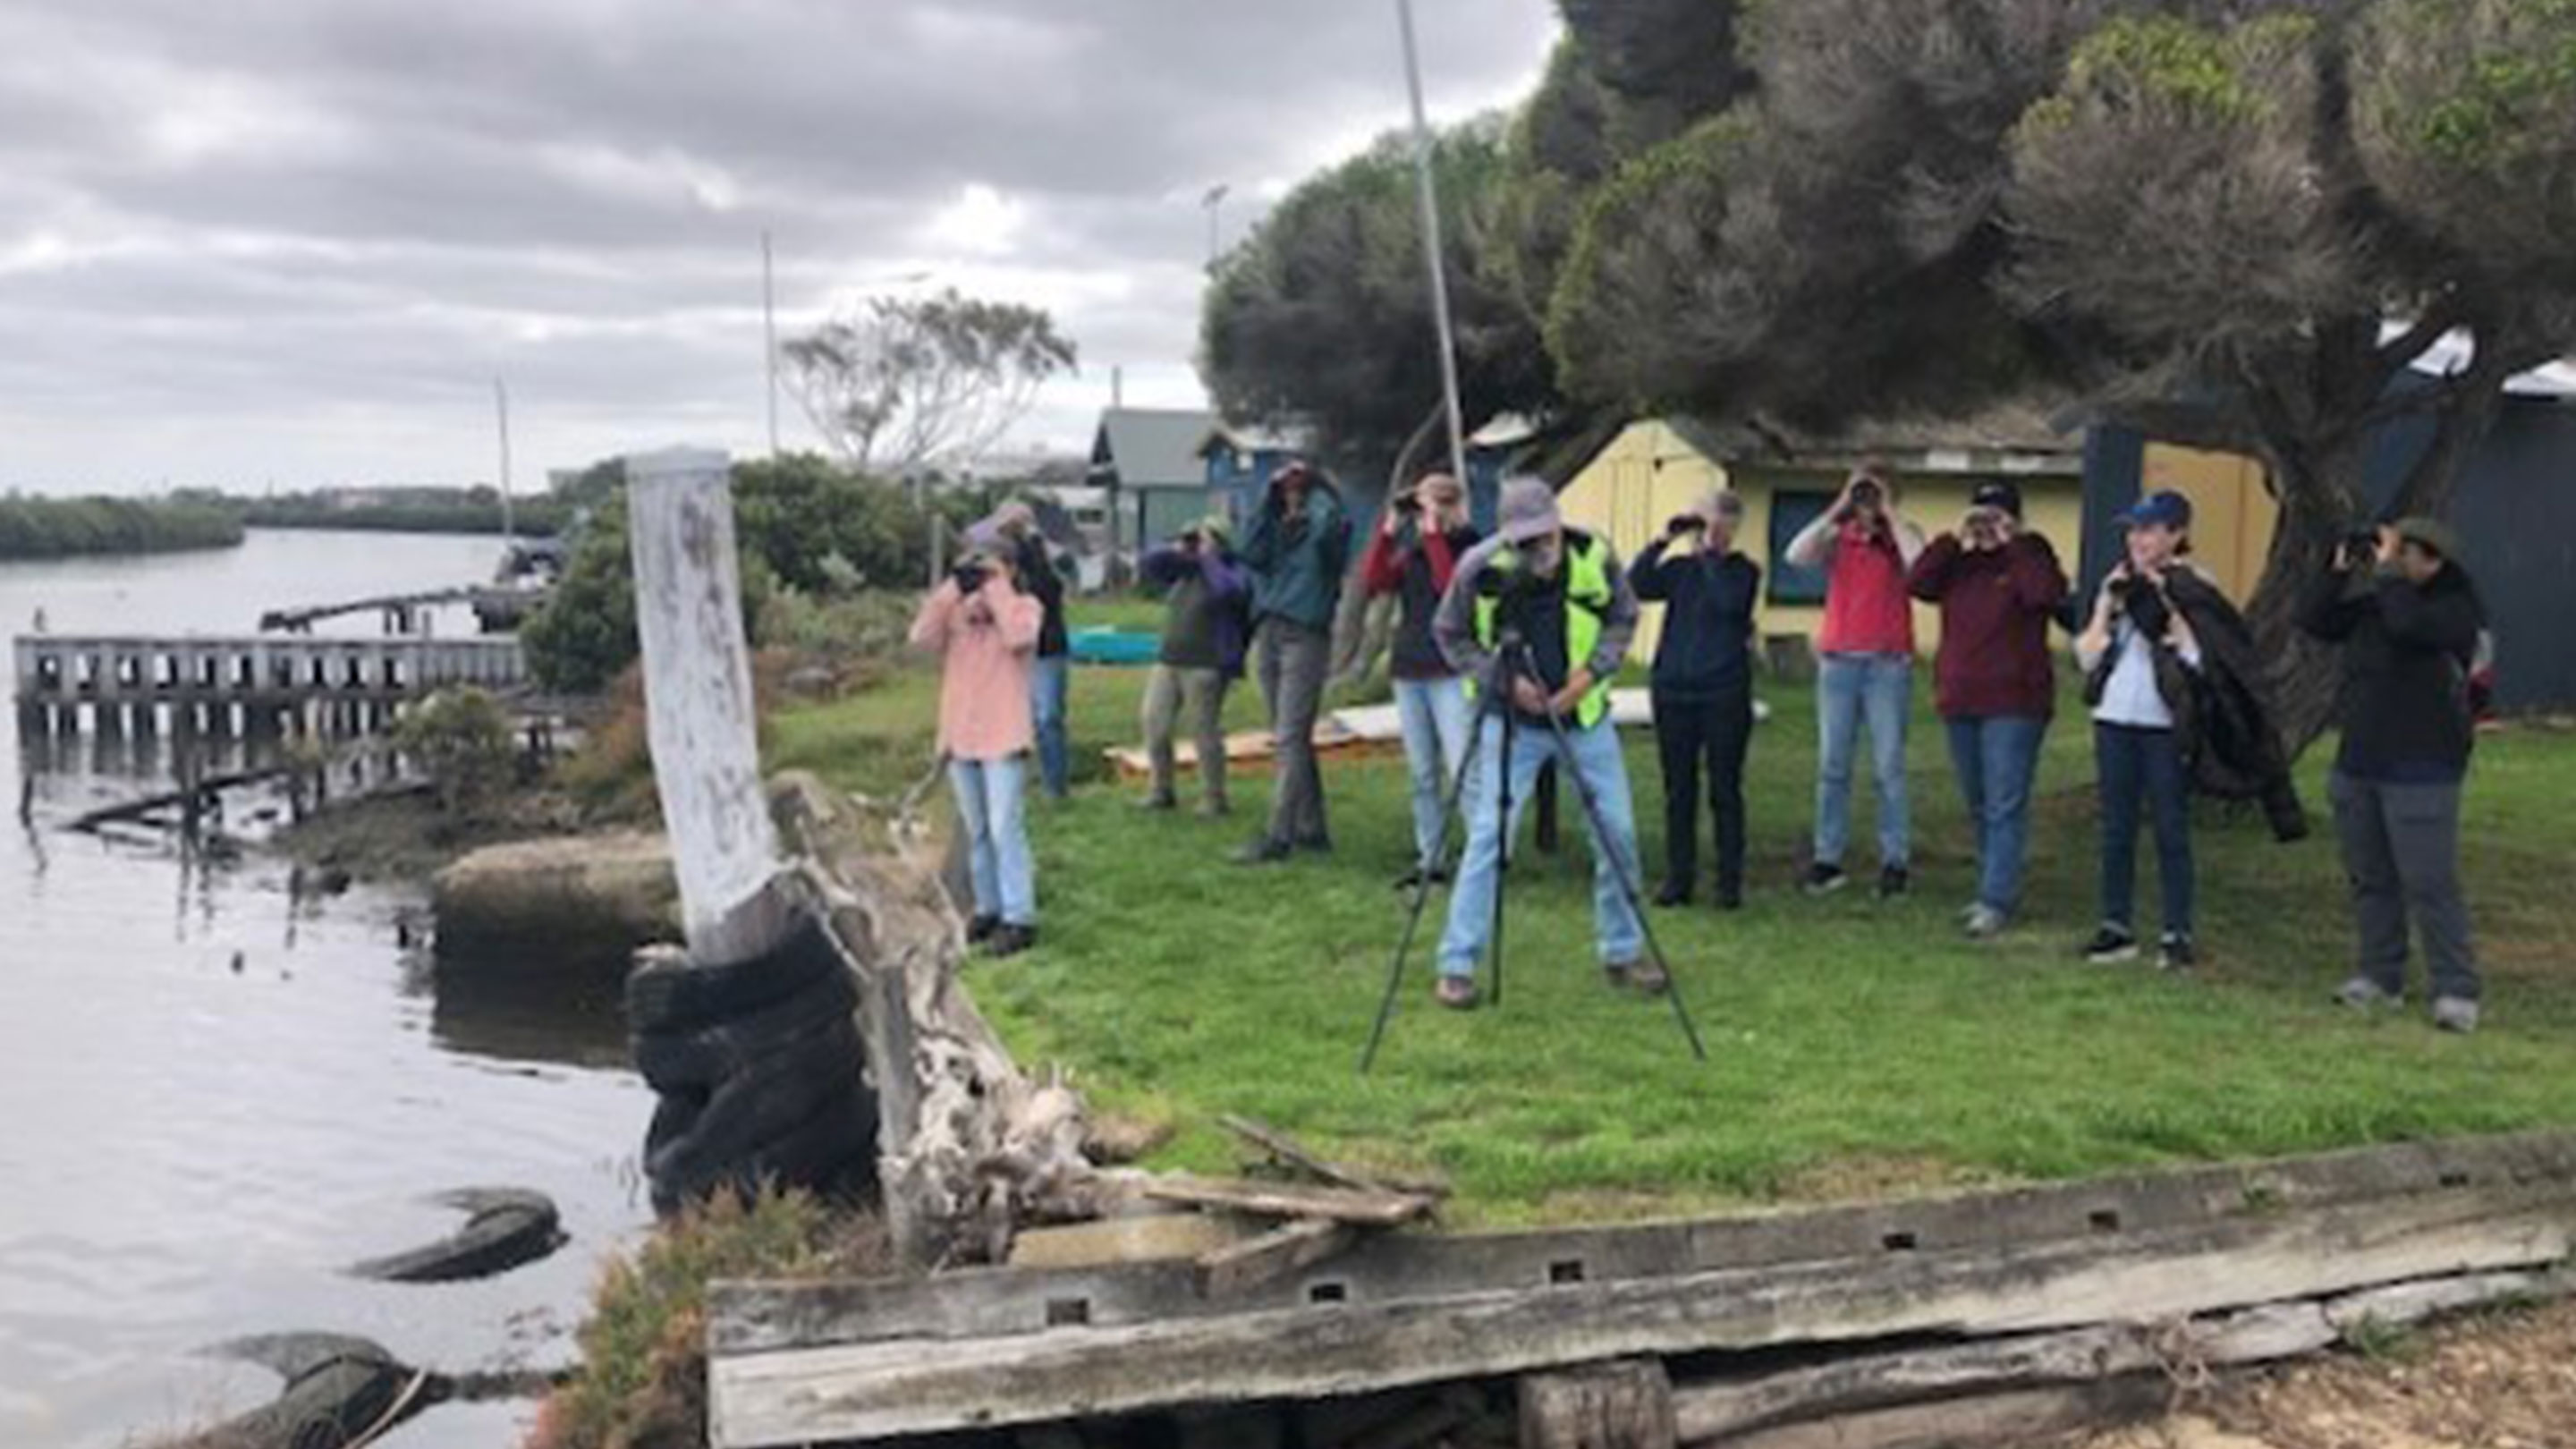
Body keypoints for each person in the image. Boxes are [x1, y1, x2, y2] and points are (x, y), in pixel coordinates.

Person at [1428, 477, 1649, 1011]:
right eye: (1524, 540)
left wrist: (1590, 675)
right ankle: (1457, 965)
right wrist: (1503, 681)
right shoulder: (1479, 569)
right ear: (1507, 535)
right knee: (1489, 838)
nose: (1537, 548)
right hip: (1511, 725)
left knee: (1617, 831)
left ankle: (1623, 951)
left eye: (1543, 535)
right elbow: (1450, 634)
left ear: (1557, 521)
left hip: (1585, 719)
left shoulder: (1595, 553)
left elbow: (1624, 617)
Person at [2300, 517, 2489, 1033]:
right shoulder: (2379, 603)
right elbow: (2316, 620)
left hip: (2423, 767)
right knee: (2371, 877)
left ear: (2434, 560)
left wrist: (2386, 575)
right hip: (2360, 761)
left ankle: (2456, 988)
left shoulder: (2454, 610)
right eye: (2392, 552)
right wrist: (2336, 572)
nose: (2395, 562)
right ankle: (2380, 976)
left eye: (2406, 553)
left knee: (2430, 882)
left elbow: (2409, 626)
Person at [1907, 479, 2071, 939]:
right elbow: (1917, 584)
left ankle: (1996, 898)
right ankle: (1991, 885)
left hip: (2015, 702)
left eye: (1997, 515)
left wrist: (2011, 543)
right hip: (1960, 695)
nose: (1987, 523)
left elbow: (2045, 595)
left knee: (2004, 802)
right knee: (1978, 801)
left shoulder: (2031, 554)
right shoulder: (1958, 562)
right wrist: (1951, 540)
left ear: (2016, 520)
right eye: (1981, 513)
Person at [2072, 491, 2207, 970]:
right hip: (2114, 717)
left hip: (2163, 724)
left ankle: (2176, 930)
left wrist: (2163, 602)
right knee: (2116, 827)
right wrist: (2107, 604)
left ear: (2176, 535)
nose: (2139, 540)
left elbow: (2196, 659)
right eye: (2133, 531)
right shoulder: (2118, 584)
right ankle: (2116, 925)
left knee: (2170, 826)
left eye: (2150, 530)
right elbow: (2086, 656)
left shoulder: (2193, 585)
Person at [1783, 465, 1926, 899]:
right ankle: (1828, 857)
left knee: (1888, 767)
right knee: (1833, 765)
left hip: (1887, 662)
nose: (1865, 502)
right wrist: (1840, 506)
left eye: (1872, 492)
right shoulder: (1837, 536)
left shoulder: (1901, 535)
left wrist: (1888, 513)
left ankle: (1895, 860)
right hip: (1840, 661)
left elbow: (1919, 564)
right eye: (1861, 492)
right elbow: (1795, 554)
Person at [909, 530, 1045, 958]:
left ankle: (1019, 916)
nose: (981, 573)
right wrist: (953, 587)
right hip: (961, 735)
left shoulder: (1025, 606)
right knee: (978, 829)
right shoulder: (956, 612)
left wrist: (997, 586)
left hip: (1003, 734)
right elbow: (920, 636)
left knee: (1006, 828)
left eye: (990, 563)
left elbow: (1019, 637)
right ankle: (987, 908)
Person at [1631, 489, 1762, 910]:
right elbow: (1638, 583)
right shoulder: (1680, 569)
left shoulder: (1743, 571)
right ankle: (1678, 878)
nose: (1707, 530)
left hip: (1723, 690)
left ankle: (1728, 881)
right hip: (1674, 689)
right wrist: (1662, 540)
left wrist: (1710, 554)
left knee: (1724, 787)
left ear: (1731, 526)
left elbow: (1728, 604)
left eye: (1715, 522)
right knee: (1678, 788)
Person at [1360, 471, 1481, 888]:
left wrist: (1434, 537)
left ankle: (1484, 857)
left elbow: (1452, 590)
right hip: (1409, 668)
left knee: (1463, 767)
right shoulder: (1413, 548)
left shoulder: (1469, 544)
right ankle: (1432, 858)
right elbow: (1375, 580)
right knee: (1423, 773)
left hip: (1449, 670)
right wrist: (1389, 529)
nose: (1427, 513)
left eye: (1436, 503)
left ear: (1451, 506)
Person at [1234, 460, 1352, 865]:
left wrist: (1316, 492)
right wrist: (1269, 500)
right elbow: (1248, 551)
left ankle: (1278, 835)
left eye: (1297, 484)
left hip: (1306, 632)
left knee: (1289, 735)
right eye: (1287, 484)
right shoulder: (1276, 522)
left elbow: (1327, 547)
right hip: (1268, 627)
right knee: (1291, 735)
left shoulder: (1329, 520)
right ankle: (1312, 826)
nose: (1291, 491)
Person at [1137, 516, 1253, 816]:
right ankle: (1161, 789)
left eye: (1206, 537)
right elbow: (1149, 564)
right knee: (1154, 724)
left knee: (1204, 730)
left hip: (1206, 663)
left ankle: (1214, 797)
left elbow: (1228, 593)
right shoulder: (1184, 570)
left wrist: (1209, 557)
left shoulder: (1233, 570)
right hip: (1169, 660)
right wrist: (1180, 547)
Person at [990, 503, 1072, 802]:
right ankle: (1012, 786)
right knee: (1014, 718)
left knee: (1048, 716)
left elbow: (1048, 589)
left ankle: (1055, 787)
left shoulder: (1043, 555)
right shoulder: (997, 561)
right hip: (1011, 648)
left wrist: (1033, 546)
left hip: (1047, 645)